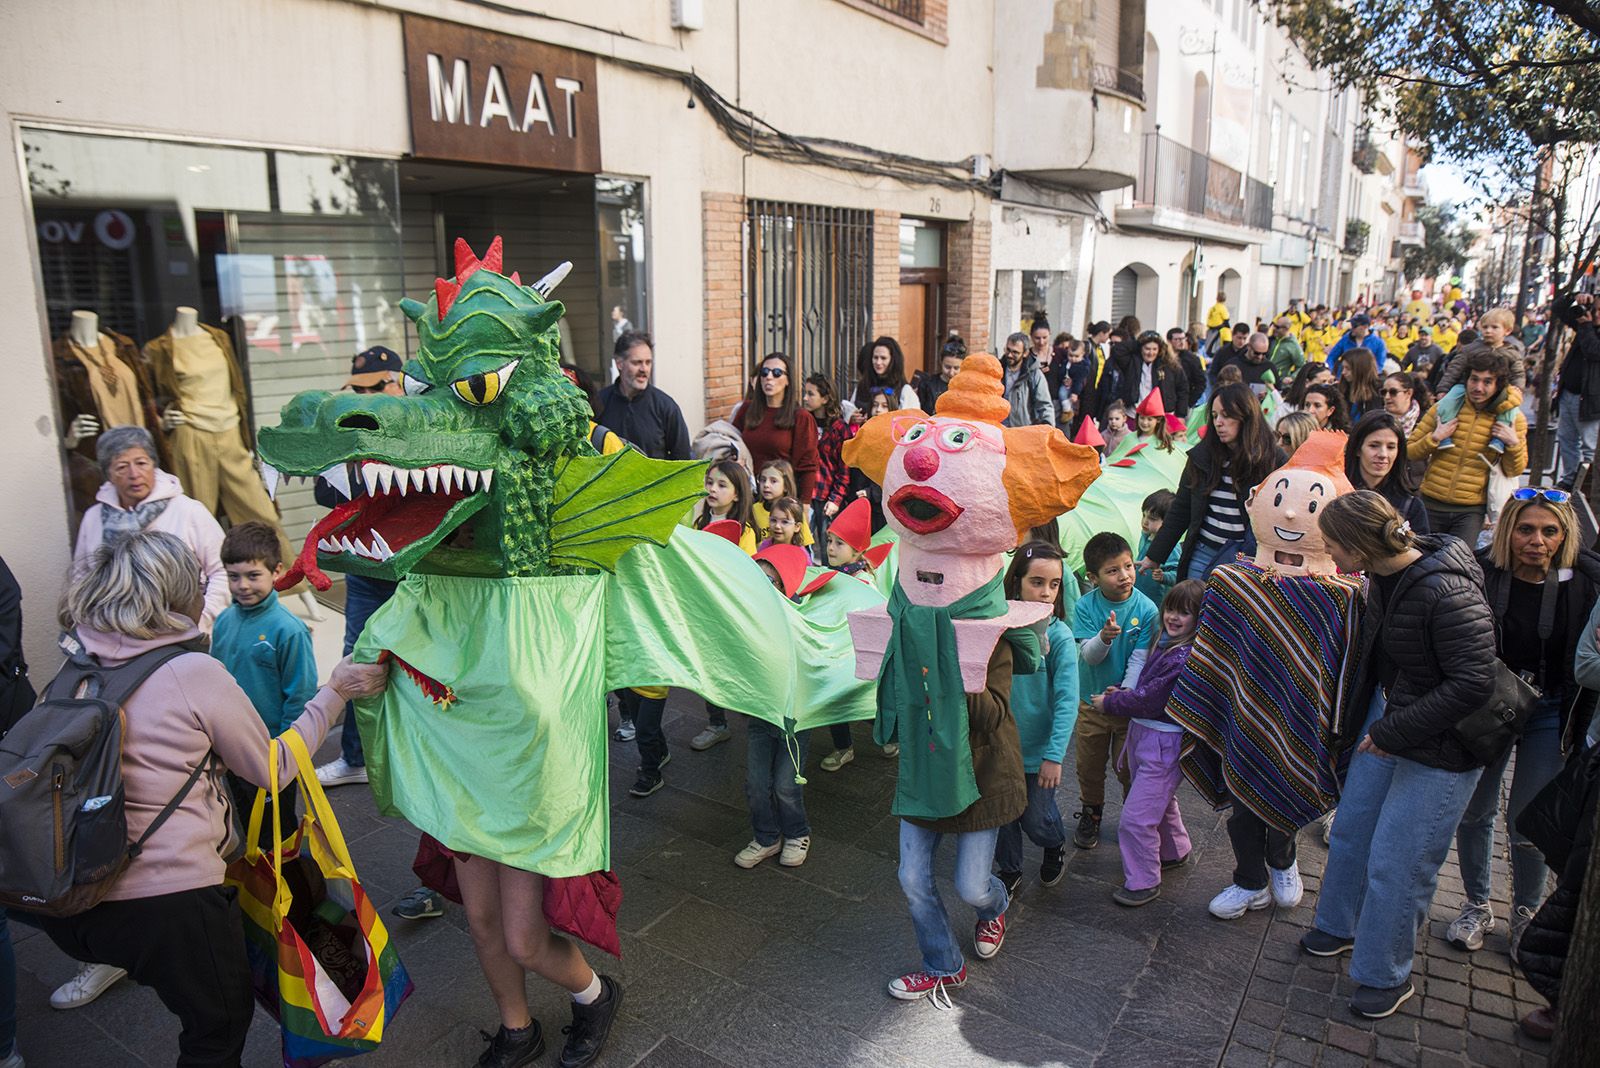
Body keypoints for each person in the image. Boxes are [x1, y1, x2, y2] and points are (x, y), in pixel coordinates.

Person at [39, 531, 387, 1064]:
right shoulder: (189, 672)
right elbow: (273, 769)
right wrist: (334, 692)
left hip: (70, 892)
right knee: (217, 1026)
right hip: (169, 898)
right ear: (176, 593)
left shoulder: (74, 669)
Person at [1299, 491, 1496, 1019]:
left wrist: (1393, 730)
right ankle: (1339, 926)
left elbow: (1474, 682)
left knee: (1399, 863)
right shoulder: (1385, 576)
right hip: (1392, 723)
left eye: (1334, 545)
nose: (1331, 555)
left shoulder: (1447, 591)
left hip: (1442, 745)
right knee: (1352, 829)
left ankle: (1385, 974)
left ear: (1362, 548)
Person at [1446, 489, 1600, 954]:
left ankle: (1526, 912)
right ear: (1508, 530)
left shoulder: (1585, 582)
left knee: (1528, 821)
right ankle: (1476, 904)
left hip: (1551, 709)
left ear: (1565, 534)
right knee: (1476, 811)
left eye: (1549, 531)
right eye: (1526, 529)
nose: (1537, 540)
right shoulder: (1481, 573)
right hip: (1488, 704)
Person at [1096, 579, 1205, 906]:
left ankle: (1143, 881)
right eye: (1171, 608)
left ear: (1199, 617)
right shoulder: (1169, 643)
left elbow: (1152, 699)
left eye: (1184, 613)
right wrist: (1124, 692)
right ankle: (1175, 849)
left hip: (1161, 742)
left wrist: (1112, 703)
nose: (1174, 617)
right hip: (1146, 736)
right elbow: (1146, 687)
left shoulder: (1183, 655)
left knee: (1135, 819)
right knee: (1161, 802)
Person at [211, 520, 317, 848]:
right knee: (246, 821)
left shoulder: (289, 630)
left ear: (276, 571)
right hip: (232, 747)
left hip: (271, 752)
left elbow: (300, 696)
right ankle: (260, 886)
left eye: (253, 575)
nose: (242, 585)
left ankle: (288, 889)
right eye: (233, 576)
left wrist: (284, 751)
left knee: (278, 830)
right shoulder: (224, 621)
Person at [72, 425, 228, 630]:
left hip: (182, 631)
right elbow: (81, 577)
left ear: (154, 464)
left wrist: (201, 620)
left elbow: (223, 570)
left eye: (141, 463)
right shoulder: (94, 518)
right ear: (108, 474)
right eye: (121, 467)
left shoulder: (188, 510)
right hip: (115, 635)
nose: (134, 474)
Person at [992, 543, 1077, 895]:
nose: (1046, 592)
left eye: (1054, 584)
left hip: (1040, 754)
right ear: (1017, 583)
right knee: (1003, 816)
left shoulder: (1059, 636)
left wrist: (1054, 755)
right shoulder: (998, 628)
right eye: (1037, 582)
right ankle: (1009, 869)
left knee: (1036, 819)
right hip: (1001, 747)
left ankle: (1054, 841)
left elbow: (1067, 700)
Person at [1141, 384, 1286, 582]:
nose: (1219, 422)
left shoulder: (1272, 459)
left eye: (1226, 415)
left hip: (1247, 558)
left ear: (1246, 416)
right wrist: (1155, 555)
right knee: (1193, 608)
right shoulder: (1202, 456)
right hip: (1203, 551)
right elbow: (1181, 508)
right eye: (1215, 415)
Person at [1072, 532, 1158, 850]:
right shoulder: (1085, 605)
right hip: (1090, 703)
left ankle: (1133, 819)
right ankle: (1091, 813)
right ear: (1093, 577)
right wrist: (1104, 637)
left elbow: (1139, 659)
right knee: (1089, 765)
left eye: (1127, 566)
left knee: (1127, 767)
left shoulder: (1147, 608)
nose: (1124, 576)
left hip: (1125, 706)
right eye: (1112, 570)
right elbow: (1088, 655)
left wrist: (1122, 695)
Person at [1407, 348, 1529, 546]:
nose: (1478, 387)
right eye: (1474, 379)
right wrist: (1435, 438)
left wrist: (1513, 443)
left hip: (1471, 510)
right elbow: (1410, 451)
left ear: (1498, 385)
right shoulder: (1445, 408)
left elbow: (1515, 469)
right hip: (1431, 501)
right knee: (1420, 562)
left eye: (1487, 382)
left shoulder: (1514, 419)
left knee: (1458, 565)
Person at [733, 353, 820, 504]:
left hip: (781, 501)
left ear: (788, 380)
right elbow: (733, 441)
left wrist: (804, 505)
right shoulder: (747, 409)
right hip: (747, 495)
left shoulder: (801, 417)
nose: (769, 377)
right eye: (764, 372)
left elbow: (808, 466)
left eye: (777, 373)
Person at [594, 332, 692, 460]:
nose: (644, 369)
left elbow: (682, 459)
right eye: (637, 362)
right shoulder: (599, 403)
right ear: (619, 364)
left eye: (648, 362)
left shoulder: (666, 407)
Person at [1344, 413, 1429, 535]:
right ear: (1358, 449)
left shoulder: (1411, 506)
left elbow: (1421, 551)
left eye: (1391, 447)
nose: (1383, 454)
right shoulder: (1337, 495)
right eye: (1374, 446)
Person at [1553, 291, 1600, 489]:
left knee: (1590, 448)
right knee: (1567, 439)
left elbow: (1594, 351)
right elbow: (1558, 308)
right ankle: (1570, 479)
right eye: (1595, 309)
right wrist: (1575, 296)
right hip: (1569, 394)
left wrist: (1587, 325)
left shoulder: (1587, 328)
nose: (1596, 314)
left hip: (1591, 400)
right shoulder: (1585, 325)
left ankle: (1589, 487)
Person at [802, 373, 855, 543]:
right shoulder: (803, 421)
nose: (805, 398)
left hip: (826, 497)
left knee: (828, 549)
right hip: (804, 493)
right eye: (805, 392)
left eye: (811, 394)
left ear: (825, 398)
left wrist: (836, 499)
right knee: (803, 545)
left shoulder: (839, 429)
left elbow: (844, 469)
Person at [1115, 332, 1190, 417]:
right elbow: (1118, 350)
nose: (1151, 353)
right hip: (1134, 413)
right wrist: (1139, 342)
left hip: (1161, 415)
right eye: (1147, 348)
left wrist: (1181, 414)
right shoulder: (1132, 362)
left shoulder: (1169, 365)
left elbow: (1183, 389)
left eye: (1154, 349)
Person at [752, 459, 815, 553]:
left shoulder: (794, 510)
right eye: (763, 480)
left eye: (773, 481)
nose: (766, 485)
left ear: (786, 485)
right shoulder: (754, 509)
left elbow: (805, 544)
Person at [850, 336, 919, 413]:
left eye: (883, 358)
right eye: (875, 357)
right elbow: (851, 408)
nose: (878, 362)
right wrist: (852, 416)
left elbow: (911, 420)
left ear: (893, 360)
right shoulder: (862, 385)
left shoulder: (905, 391)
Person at [1000, 332, 1055, 427]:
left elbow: (1045, 406)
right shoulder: (997, 370)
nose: (1009, 355)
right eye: (1008, 350)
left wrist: (1048, 429)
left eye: (1015, 352)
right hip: (998, 430)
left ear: (1025, 353)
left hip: (1022, 432)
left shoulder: (1034, 375)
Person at [1135, 491, 1181, 605]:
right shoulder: (1147, 536)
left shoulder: (1170, 546)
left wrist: (1164, 577)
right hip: (1140, 595)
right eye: (1144, 515)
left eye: (1152, 518)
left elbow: (1177, 573)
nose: (1145, 521)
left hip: (1156, 601)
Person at [916, 332, 967, 414]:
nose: (951, 372)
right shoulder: (927, 384)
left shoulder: (967, 388)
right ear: (941, 362)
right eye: (947, 367)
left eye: (956, 368)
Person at [1339, 349, 1383, 423]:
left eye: (1348, 369)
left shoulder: (1379, 392)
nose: (1343, 372)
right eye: (1343, 368)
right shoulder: (1342, 390)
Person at [1168, 327, 1208, 408]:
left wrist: (1189, 402)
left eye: (1183, 338)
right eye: (1177, 339)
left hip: (1185, 403)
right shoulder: (1164, 358)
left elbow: (1201, 383)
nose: (1181, 342)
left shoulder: (1193, 359)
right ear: (1169, 341)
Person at [1266, 318, 1306, 383]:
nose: (1274, 329)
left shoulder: (1293, 346)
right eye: (1274, 326)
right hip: (1263, 379)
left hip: (1278, 382)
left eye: (1277, 327)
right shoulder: (1271, 340)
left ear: (1286, 329)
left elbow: (1301, 366)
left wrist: (1292, 377)